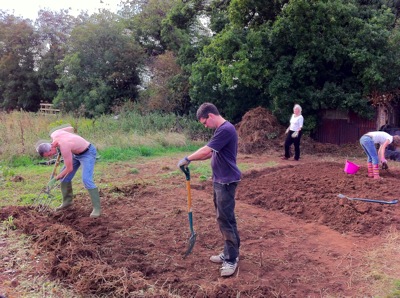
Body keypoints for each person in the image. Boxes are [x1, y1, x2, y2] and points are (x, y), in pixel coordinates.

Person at [177, 102, 241, 277]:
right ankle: (231, 252)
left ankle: (231, 259)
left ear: (210, 116)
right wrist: (190, 159)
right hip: (220, 180)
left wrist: (186, 158)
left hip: (226, 181)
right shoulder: (221, 130)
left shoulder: (225, 129)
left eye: (204, 122)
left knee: (225, 219)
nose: (205, 126)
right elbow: (209, 151)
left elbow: (206, 152)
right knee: (227, 218)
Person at [36, 125, 101, 217]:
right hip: (75, 153)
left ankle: (97, 208)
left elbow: (69, 169)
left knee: (86, 179)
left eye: (49, 154)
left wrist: (55, 178)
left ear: (51, 148)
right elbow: (70, 128)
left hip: (87, 153)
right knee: (65, 178)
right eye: (48, 157)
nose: (50, 157)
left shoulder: (64, 146)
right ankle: (67, 202)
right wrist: (73, 140)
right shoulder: (54, 134)